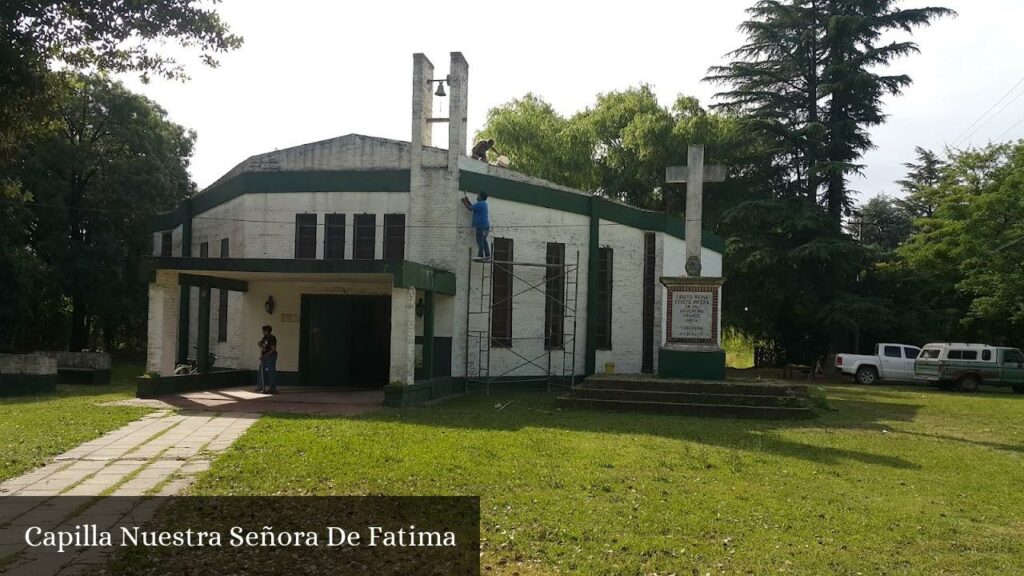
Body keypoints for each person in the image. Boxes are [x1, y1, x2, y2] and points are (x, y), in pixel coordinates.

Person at [461, 192, 490, 260]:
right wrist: (467, 201)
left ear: (481, 197)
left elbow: (469, 208)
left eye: (478, 196)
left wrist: (464, 202)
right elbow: (473, 207)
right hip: (486, 226)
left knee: (480, 240)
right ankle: (487, 255)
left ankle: (480, 256)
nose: (477, 197)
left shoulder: (479, 204)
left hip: (480, 225)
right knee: (484, 240)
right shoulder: (483, 204)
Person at [256, 325, 278, 394]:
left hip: (271, 356)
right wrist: (260, 344)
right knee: (261, 370)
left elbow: (273, 349)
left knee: (271, 371)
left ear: (267, 331)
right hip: (265, 356)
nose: (262, 332)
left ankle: (273, 388)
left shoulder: (272, 338)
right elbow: (263, 346)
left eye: (263, 331)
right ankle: (261, 386)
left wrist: (265, 355)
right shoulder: (265, 338)